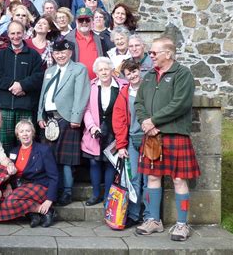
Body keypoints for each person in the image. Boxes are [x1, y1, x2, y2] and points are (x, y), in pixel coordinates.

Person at [134, 36, 200, 241]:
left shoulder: (183, 74)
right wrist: (146, 122)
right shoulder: (149, 76)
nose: (150, 56)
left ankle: (182, 224)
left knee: (179, 179)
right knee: (152, 178)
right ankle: (154, 220)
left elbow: (180, 103)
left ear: (168, 54)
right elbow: (139, 103)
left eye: (154, 53)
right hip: (153, 136)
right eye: (150, 53)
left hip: (175, 134)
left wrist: (153, 121)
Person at [37, 40, 90, 206]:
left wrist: (75, 118)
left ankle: (67, 192)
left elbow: (81, 94)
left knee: (66, 160)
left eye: (63, 53)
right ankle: (54, 189)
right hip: (49, 119)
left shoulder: (79, 69)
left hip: (67, 118)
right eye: (57, 53)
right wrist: (40, 115)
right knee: (50, 158)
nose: (60, 55)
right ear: (53, 54)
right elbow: (43, 95)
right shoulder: (50, 71)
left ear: (70, 53)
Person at [0, 120, 59, 227]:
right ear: (18, 135)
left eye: (28, 131)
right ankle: (35, 212)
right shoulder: (13, 152)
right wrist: (8, 185)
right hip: (19, 187)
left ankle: (44, 211)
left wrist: (49, 200)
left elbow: (54, 176)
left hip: (39, 185)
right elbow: (11, 173)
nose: (25, 134)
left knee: (11, 201)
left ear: (33, 133)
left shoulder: (44, 150)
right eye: (21, 132)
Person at [81, 57, 128, 206]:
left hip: (115, 131)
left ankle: (108, 195)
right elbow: (86, 110)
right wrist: (92, 127)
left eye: (106, 69)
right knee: (94, 163)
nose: (104, 72)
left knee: (110, 164)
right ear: (96, 72)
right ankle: (95, 194)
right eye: (100, 70)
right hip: (95, 131)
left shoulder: (122, 86)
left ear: (111, 70)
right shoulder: (91, 86)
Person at [0, 20, 43, 153]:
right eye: (12, 33)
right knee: (4, 144)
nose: (16, 36)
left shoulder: (34, 55)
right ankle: (6, 171)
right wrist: (13, 85)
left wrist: (22, 85)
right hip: (5, 106)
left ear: (24, 34)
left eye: (19, 33)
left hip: (25, 106)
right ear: (8, 35)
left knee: (25, 143)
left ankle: (25, 171)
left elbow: (38, 77)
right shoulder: (1, 55)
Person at [113, 60, 147, 228]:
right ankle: (133, 214)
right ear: (124, 76)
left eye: (135, 72)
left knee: (149, 180)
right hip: (132, 140)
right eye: (129, 74)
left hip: (150, 140)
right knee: (134, 179)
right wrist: (121, 145)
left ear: (140, 70)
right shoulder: (124, 93)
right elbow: (118, 120)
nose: (133, 76)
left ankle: (149, 215)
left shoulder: (149, 89)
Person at [66, 7, 106, 80]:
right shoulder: (67, 40)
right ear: (76, 21)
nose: (84, 22)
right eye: (81, 20)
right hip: (76, 82)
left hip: (96, 83)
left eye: (87, 20)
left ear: (92, 21)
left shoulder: (100, 40)